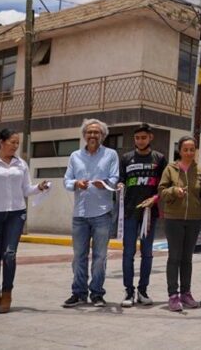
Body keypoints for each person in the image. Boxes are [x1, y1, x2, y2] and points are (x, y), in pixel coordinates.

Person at [0, 129, 48, 314]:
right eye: (12, 142)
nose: (15, 146)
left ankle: (7, 294)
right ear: (1, 142)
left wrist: (39, 188)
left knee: (9, 255)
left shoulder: (21, 164)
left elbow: (26, 189)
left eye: (17, 143)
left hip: (16, 214)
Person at [62, 119, 119, 308]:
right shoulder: (75, 156)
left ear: (103, 135)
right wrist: (76, 183)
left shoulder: (111, 154)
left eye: (96, 132)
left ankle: (97, 293)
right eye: (89, 132)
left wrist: (104, 183)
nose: (93, 135)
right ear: (84, 135)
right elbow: (67, 181)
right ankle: (79, 293)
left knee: (100, 257)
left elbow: (114, 178)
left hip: (102, 213)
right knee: (79, 256)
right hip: (80, 214)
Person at [118, 124, 167, 308]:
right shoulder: (126, 158)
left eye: (144, 137)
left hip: (149, 213)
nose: (140, 141)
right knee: (128, 253)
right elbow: (121, 179)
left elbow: (164, 185)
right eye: (137, 138)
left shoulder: (159, 158)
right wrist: (120, 185)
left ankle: (143, 290)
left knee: (147, 254)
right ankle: (128, 291)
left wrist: (155, 198)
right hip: (130, 212)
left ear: (150, 138)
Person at [159, 135, 201, 312]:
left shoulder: (200, 171)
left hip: (194, 219)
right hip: (173, 219)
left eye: (192, 149)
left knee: (187, 258)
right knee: (174, 257)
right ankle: (173, 295)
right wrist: (174, 191)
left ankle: (186, 293)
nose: (189, 153)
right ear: (179, 150)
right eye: (185, 149)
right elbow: (161, 191)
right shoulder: (170, 169)